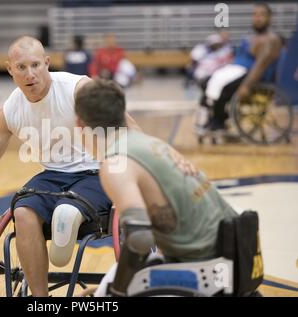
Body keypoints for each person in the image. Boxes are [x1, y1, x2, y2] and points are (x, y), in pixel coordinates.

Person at [0, 36, 141, 297]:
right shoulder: (9, 111)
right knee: (23, 212)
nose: (30, 74)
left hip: (97, 171)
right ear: (9, 69)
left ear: (47, 63)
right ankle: (40, 299)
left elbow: (130, 128)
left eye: (35, 65)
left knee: (66, 211)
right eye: (21, 68)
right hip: (53, 176)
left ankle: (68, 219)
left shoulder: (78, 89)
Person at [74, 79, 239, 295]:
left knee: (104, 293)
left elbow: (140, 238)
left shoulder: (116, 163)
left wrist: (119, 291)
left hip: (210, 271)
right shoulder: (151, 143)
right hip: (238, 254)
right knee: (103, 287)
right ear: (123, 113)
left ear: (79, 124)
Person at [198, 3, 282, 134]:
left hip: (250, 76)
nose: (257, 18)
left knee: (224, 89)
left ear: (270, 18)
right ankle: (216, 116)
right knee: (205, 82)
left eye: (262, 15)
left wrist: (246, 85)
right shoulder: (252, 37)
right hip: (236, 70)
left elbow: (260, 66)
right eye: (255, 15)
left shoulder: (271, 39)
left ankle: (218, 121)